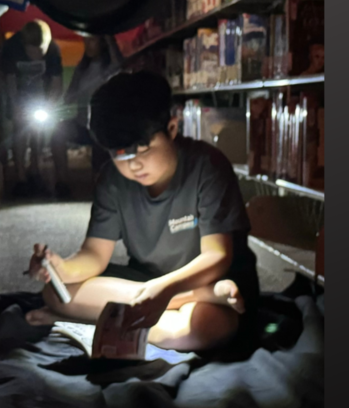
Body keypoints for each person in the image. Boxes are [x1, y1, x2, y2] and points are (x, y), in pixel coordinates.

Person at [25, 71, 260, 352]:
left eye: (143, 150)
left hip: (218, 285)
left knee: (195, 330)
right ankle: (170, 305)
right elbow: (95, 255)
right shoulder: (112, 180)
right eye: (120, 155)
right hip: (146, 283)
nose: (133, 165)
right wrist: (62, 269)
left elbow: (217, 256)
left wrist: (165, 290)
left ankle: (103, 319)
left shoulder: (207, 166)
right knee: (56, 293)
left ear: (172, 128)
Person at [51, 35, 122, 199]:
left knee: (100, 147)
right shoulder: (82, 68)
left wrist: (110, 39)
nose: (87, 44)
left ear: (102, 42)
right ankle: (62, 182)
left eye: (92, 40)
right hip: (82, 123)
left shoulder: (110, 67)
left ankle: (100, 186)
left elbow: (119, 66)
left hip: (103, 125)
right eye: (85, 41)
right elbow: (71, 94)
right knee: (58, 131)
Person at [0, 20, 63, 197]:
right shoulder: (12, 47)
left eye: (40, 51)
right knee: (19, 131)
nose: (36, 55)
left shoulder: (53, 50)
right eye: (31, 51)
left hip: (41, 97)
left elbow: (56, 84)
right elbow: (9, 81)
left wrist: (49, 107)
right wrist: (15, 106)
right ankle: (20, 177)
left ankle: (36, 171)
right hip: (18, 96)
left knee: (38, 132)